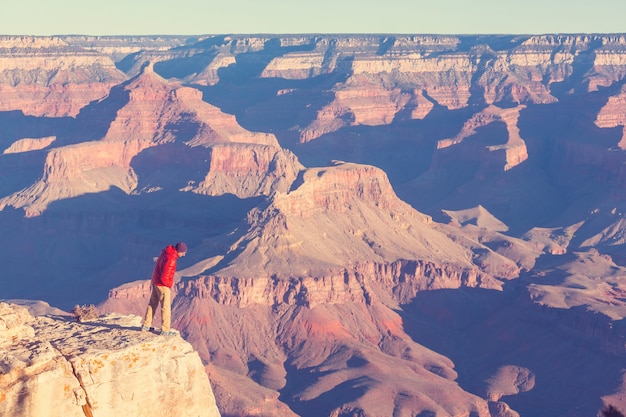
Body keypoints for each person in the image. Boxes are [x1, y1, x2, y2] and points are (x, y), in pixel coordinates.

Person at [142, 242, 187, 336]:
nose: (184, 255)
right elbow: (165, 277)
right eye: (183, 252)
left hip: (155, 281)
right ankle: (165, 330)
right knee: (166, 307)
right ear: (179, 251)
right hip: (162, 284)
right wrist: (169, 285)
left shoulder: (166, 253)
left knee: (152, 303)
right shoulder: (171, 259)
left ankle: (146, 325)